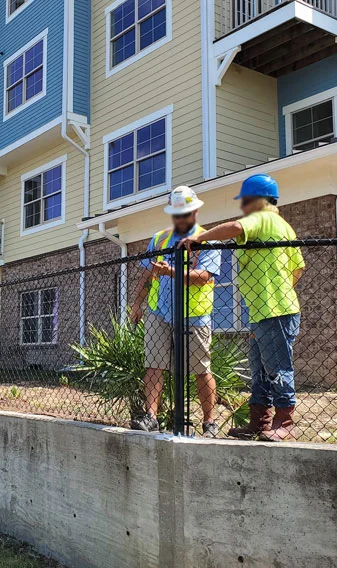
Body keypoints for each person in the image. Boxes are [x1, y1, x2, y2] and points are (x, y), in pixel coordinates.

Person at [179, 174, 305, 442]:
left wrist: (200, 239)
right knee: (259, 370)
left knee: (277, 367)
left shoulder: (264, 218)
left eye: (246, 201)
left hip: (274, 310)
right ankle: (260, 423)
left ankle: (285, 422)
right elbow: (299, 267)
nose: (244, 207)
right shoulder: (285, 227)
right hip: (267, 309)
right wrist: (281, 289)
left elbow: (235, 227)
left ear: (259, 200)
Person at [130, 186, 221, 437]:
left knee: (201, 369)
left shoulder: (206, 240)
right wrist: (137, 303)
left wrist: (171, 272)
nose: (181, 219)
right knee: (154, 365)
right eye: (177, 214)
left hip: (194, 316)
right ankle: (151, 417)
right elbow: (147, 275)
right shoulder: (159, 239)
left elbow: (203, 277)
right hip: (159, 312)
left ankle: (209, 421)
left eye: (186, 214)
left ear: (196, 211)